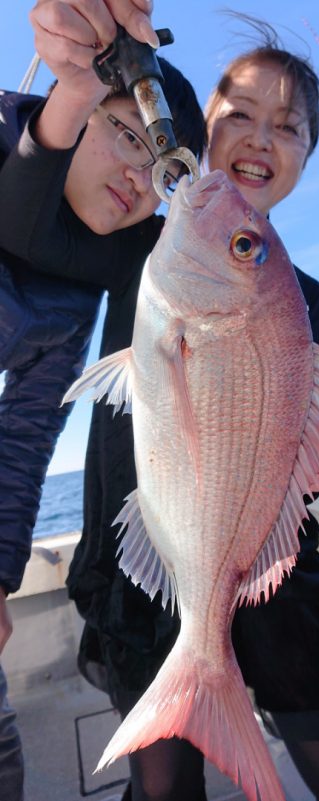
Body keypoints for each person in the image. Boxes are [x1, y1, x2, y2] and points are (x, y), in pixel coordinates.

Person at [2, 3, 319, 801]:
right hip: (137, 567)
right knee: (164, 784)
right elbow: (27, 221)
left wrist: (308, 473)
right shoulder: (137, 234)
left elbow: (272, 447)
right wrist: (71, 89)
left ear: (306, 156)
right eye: (240, 112)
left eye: (290, 127)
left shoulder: (301, 295)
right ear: (200, 127)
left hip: (269, 564)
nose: (262, 136)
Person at [0, 3, 206, 800]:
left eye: (160, 169)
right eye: (128, 132)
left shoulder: (81, 299)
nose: (137, 175)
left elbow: (23, 437)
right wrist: (71, 86)